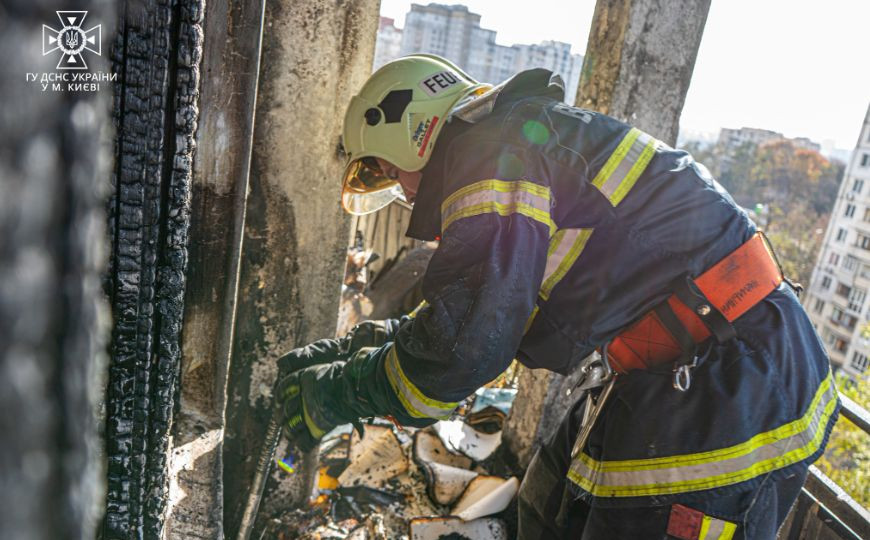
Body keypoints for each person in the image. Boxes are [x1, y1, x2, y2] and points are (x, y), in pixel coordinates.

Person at [275, 54, 839, 539]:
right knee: (546, 504)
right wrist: (365, 345)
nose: (400, 191)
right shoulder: (515, 141)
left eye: (387, 171)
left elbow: (461, 354)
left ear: (409, 132)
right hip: (693, 363)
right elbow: (482, 311)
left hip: (728, 389)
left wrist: (340, 392)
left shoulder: (489, 158)